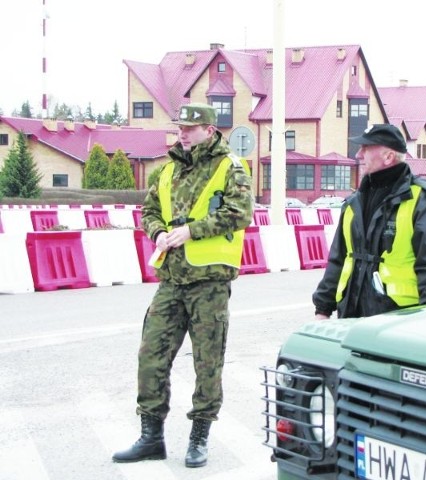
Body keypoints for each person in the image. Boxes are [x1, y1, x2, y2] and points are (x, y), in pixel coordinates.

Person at [112, 103, 253, 468]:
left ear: (209, 130)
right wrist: (158, 231)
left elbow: (240, 213)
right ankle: (151, 437)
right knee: (151, 356)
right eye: (181, 128)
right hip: (172, 280)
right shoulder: (169, 169)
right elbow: (149, 211)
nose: (183, 134)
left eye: (191, 128)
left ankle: (199, 438)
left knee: (208, 363)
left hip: (209, 282)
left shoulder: (230, 167)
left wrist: (192, 230)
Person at [312, 124, 426, 319]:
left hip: (399, 322)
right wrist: (323, 308)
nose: (359, 154)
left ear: (388, 157)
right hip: (351, 318)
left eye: (366, 148)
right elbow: (339, 259)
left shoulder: (424, 201)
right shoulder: (354, 203)